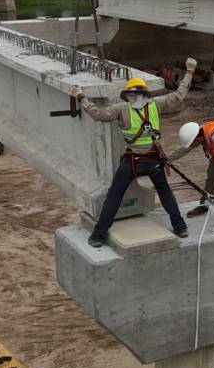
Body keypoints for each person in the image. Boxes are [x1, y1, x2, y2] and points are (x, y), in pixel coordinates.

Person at [74, 58, 198, 248]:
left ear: (129, 95)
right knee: (165, 192)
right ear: (145, 93)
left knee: (114, 196)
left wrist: (81, 97)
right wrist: (189, 71)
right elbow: (179, 95)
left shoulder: (121, 109)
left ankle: (99, 234)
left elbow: (98, 115)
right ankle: (180, 226)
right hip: (153, 160)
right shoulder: (156, 104)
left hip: (132, 162)